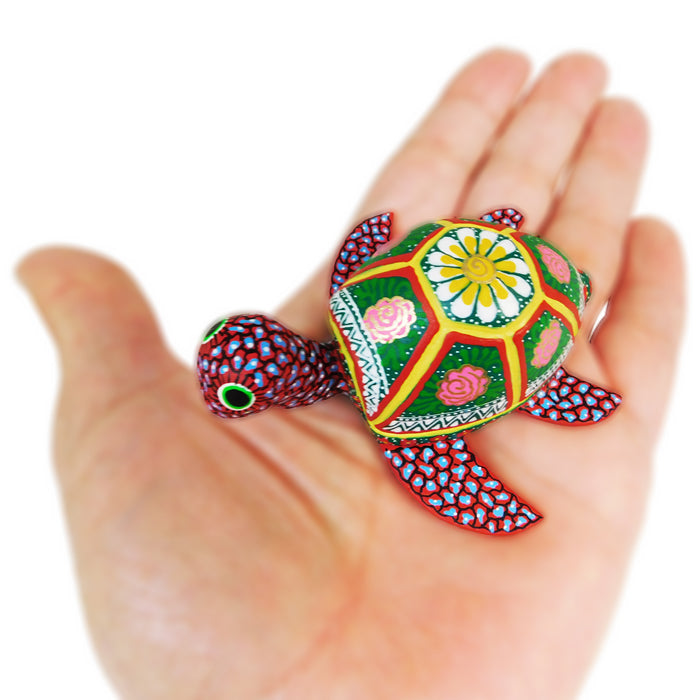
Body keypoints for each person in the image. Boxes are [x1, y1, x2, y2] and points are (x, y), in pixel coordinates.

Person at [17, 50, 684, 699]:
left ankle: (551, 383)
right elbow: (374, 251)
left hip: (522, 286)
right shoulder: (351, 297)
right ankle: (538, 352)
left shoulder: (397, 411)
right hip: (489, 254)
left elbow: (447, 463)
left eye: (236, 392)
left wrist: (498, 499)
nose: (213, 399)